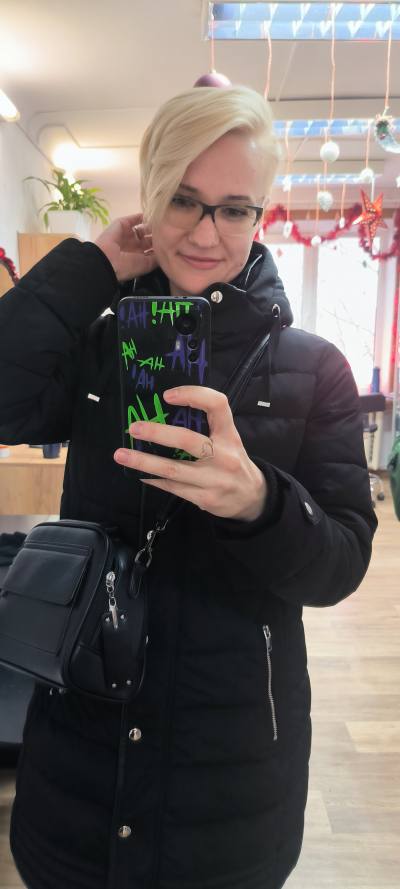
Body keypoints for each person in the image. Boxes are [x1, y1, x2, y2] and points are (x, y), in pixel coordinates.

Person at [0, 84, 377, 889]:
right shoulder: (98, 342)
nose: (207, 233)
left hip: (231, 767)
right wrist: (90, 267)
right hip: (82, 746)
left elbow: (341, 564)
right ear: (149, 195)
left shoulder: (315, 369)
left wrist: (260, 502)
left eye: (234, 209)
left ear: (261, 213)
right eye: (182, 199)